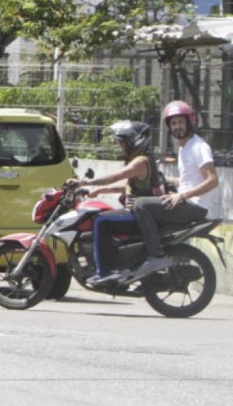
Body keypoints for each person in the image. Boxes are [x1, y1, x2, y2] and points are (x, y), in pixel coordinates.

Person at [130, 100, 221, 279]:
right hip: (187, 202)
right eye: (173, 123)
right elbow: (189, 180)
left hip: (194, 206)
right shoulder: (184, 148)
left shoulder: (198, 147)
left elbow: (212, 180)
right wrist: (165, 181)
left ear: (189, 122)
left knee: (141, 205)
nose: (177, 126)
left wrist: (182, 195)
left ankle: (156, 257)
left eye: (181, 122)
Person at [77, 120, 162, 286]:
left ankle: (106, 271)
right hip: (140, 213)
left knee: (100, 221)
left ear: (134, 141)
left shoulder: (140, 162)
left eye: (122, 142)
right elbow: (128, 186)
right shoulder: (144, 160)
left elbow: (116, 176)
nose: (120, 146)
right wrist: (101, 190)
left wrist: (84, 183)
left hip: (138, 215)